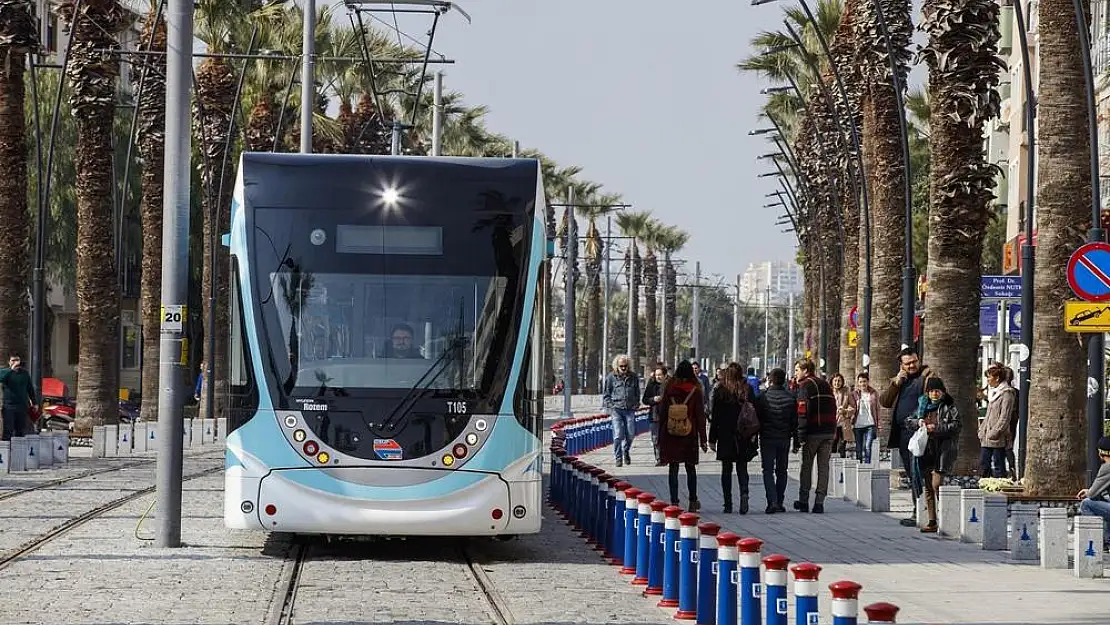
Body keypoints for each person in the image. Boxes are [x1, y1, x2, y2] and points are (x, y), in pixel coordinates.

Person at [879, 347, 936, 527]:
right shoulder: (901, 380)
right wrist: (896, 383)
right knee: (912, 474)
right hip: (903, 434)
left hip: (919, 434)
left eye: (914, 361)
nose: (912, 365)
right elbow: (885, 402)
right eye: (907, 363)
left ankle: (922, 511)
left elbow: (936, 401)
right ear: (901, 365)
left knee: (919, 473)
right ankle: (918, 508)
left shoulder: (928, 378)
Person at [906, 377, 961, 533]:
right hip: (925, 450)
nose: (934, 394)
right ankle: (932, 521)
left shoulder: (949, 406)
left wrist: (935, 428)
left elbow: (956, 425)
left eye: (937, 391)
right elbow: (908, 421)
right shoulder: (922, 405)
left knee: (937, 485)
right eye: (931, 391)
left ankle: (947, 518)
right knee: (928, 487)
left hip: (942, 450)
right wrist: (918, 423)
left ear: (942, 392)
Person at [657, 360, 708, 511]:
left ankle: (674, 501)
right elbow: (700, 416)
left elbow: (663, 413)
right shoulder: (695, 390)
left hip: (671, 433)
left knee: (673, 468)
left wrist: (660, 436)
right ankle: (693, 501)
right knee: (690, 468)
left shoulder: (669, 389)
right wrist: (703, 439)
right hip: (689, 434)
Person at [709, 367, 758, 514]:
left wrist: (712, 438)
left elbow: (715, 416)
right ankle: (744, 493)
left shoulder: (721, 391)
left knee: (726, 470)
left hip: (725, 434)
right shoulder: (747, 389)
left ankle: (728, 503)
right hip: (743, 434)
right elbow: (755, 411)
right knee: (742, 468)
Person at [793, 358, 837, 514]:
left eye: (797, 369)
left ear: (805, 370)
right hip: (829, 431)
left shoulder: (805, 386)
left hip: (813, 432)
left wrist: (800, 437)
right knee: (823, 467)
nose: (795, 373)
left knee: (806, 466)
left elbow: (802, 413)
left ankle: (803, 501)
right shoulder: (825, 384)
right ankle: (819, 502)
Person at [756, 367, 795, 513]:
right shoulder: (790, 397)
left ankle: (771, 501)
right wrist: (796, 441)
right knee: (782, 471)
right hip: (784, 438)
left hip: (767, 438)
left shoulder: (762, 397)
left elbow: (757, 419)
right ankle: (779, 501)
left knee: (767, 470)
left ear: (770, 380)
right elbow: (794, 421)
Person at [603, 354, 641, 467]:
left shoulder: (633, 377)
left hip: (630, 409)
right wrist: (611, 405)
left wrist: (636, 403)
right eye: (621, 366)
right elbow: (606, 394)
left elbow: (637, 392)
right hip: (617, 409)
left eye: (625, 366)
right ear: (617, 366)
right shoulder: (611, 377)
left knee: (631, 433)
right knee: (618, 435)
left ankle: (626, 450)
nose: (623, 368)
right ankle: (618, 458)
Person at [978, 363, 1015, 479]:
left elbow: (1005, 417)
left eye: (989, 377)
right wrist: (982, 430)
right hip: (986, 437)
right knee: (984, 465)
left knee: (999, 465)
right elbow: (989, 414)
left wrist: (995, 432)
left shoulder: (1007, 393)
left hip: (998, 437)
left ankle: (999, 491)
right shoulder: (994, 394)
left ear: (997, 378)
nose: (988, 380)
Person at [1077, 436, 1110, 549]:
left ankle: (1098, 540)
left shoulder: (1107, 467)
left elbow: (1092, 494)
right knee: (1102, 503)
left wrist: (1088, 491)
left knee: (1086, 503)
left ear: (1101, 453)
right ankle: (1107, 540)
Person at [0, 355, 36, 441]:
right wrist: (11, 370)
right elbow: (1, 378)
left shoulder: (25, 373)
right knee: (8, 429)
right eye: (13, 360)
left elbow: (30, 388)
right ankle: (6, 452)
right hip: (9, 406)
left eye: (17, 360)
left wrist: (34, 402)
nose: (15, 362)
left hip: (22, 406)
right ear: (9, 362)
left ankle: (18, 451)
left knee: (20, 430)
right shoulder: (5, 372)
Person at [642, 365, 669, 466]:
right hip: (654, 416)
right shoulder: (651, 384)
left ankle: (666, 457)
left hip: (668, 416)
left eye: (660, 375)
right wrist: (653, 399)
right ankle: (659, 459)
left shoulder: (670, 385)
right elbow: (645, 400)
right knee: (655, 438)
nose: (658, 377)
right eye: (657, 375)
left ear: (665, 375)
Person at [852, 372, 880, 464]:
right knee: (859, 448)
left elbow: (877, 409)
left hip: (870, 424)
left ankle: (867, 466)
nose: (863, 384)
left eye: (864, 381)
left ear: (868, 382)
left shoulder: (874, 393)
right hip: (858, 425)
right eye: (860, 382)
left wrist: (878, 424)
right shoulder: (854, 394)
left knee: (868, 446)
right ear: (858, 383)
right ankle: (859, 467)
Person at [831, 373, 856, 458]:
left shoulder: (847, 393)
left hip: (843, 424)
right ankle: (831, 468)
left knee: (842, 447)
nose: (837, 383)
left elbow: (853, 407)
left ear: (842, 382)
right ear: (832, 382)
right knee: (832, 446)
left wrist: (845, 410)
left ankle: (841, 469)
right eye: (835, 381)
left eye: (839, 381)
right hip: (831, 423)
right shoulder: (829, 393)